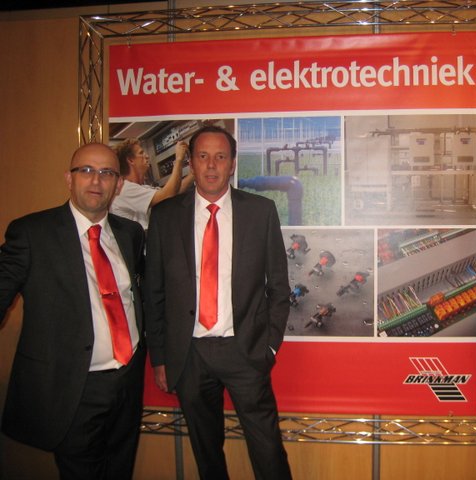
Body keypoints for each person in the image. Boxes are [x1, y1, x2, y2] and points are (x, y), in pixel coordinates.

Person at [144, 125, 292, 480]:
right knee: (206, 452)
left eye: (220, 157)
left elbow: (279, 287)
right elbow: (154, 291)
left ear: (232, 164)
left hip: (245, 351)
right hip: (189, 355)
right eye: (203, 156)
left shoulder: (260, 212)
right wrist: (160, 356)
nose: (211, 165)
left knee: (268, 449)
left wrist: (269, 346)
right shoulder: (165, 216)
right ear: (191, 163)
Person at [0, 143, 146, 479]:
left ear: (118, 184)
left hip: (126, 382)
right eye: (86, 170)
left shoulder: (130, 233)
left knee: (120, 470)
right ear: (69, 178)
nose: (96, 180)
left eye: (107, 173)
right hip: (73, 388)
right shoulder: (32, 233)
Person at [111, 138, 194, 229]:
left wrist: (193, 173)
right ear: (131, 160)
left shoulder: (143, 188)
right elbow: (169, 193)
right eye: (141, 153)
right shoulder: (125, 189)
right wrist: (178, 159)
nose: (147, 156)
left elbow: (175, 191)